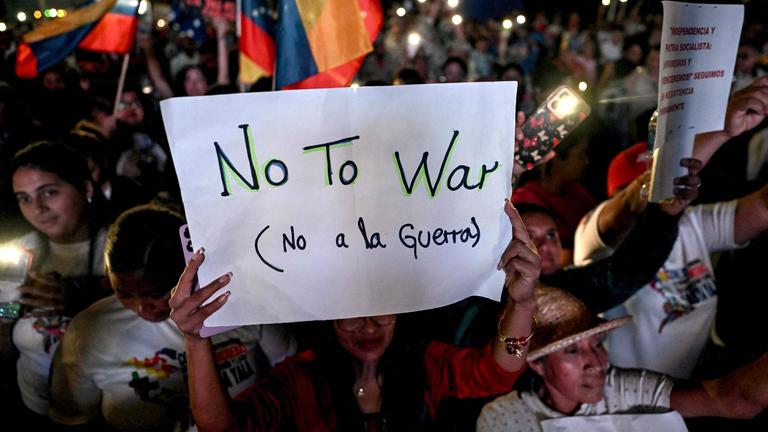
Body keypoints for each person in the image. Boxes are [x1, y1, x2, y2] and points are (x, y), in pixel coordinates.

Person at [168, 200, 540, 431]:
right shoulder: (299, 379)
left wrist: (522, 303)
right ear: (329, 315)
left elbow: (497, 373)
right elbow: (223, 429)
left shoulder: (426, 363)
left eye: (381, 310)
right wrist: (196, 339)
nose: (369, 326)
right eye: (352, 315)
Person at [573, 78, 768, 377]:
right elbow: (630, 206)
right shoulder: (592, 233)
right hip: (615, 401)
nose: (663, 193)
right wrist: (721, 131)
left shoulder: (692, 225)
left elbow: (763, 208)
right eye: (646, 183)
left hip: (678, 396)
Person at [49, 205, 296, 431]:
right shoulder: (88, 331)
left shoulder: (237, 305)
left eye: (156, 293)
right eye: (123, 293)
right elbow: (74, 417)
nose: (141, 307)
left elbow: (295, 381)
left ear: (188, 270)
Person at [476, 285, 768, 432]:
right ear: (537, 363)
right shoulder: (504, 419)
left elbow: (732, 399)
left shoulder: (627, 390)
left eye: (597, 345)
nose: (596, 362)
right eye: (573, 350)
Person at [1, 142, 110, 423]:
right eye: (23, 198)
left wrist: (83, 301)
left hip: (110, 411)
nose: (37, 208)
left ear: (86, 189)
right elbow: (4, 340)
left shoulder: (120, 250)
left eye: (49, 192)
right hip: (36, 408)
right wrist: (9, 311)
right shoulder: (14, 256)